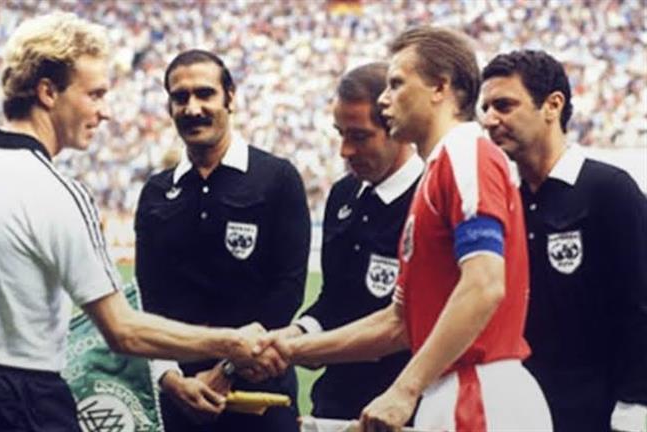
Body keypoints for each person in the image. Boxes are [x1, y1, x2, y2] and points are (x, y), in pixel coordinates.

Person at [0, 13, 274, 432]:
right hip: (24, 398)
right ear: (48, 92)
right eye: (95, 94)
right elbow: (123, 331)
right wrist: (230, 342)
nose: (104, 112)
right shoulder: (55, 192)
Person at [269, 26, 552, 432]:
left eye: (397, 84)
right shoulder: (436, 173)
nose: (385, 99)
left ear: (440, 87)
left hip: (476, 390)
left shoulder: (466, 153)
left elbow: (485, 284)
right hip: (451, 392)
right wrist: (289, 348)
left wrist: (405, 388)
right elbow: (399, 324)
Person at [135, 49, 310, 432]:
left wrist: (228, 368)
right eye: (180, 97)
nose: (192, 108)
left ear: (230, 97)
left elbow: (287, 290)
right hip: (183, 397)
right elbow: (150, 302)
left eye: (204, 94)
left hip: (261, 394)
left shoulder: (277, 178)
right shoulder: (156, 193)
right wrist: (170, 378)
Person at [481, 49, 647, 432]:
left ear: (552, 105)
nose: (489, 120)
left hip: (600, 411)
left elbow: (640, 304)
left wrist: (635, 403)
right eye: (485, 108)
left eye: (504, 105)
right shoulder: (508, 201)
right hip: (525, 408)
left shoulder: (609, 190)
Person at [273, 62, 421, 420]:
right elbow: (334, 302)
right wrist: (295, 333)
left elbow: (406, 324)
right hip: (335, 405)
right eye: (340, 134)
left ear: (398, 129)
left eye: (359, 136)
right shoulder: (344, 195)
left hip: (404, 410)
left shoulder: (429, 199)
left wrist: (302, 350)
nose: (344, 151)